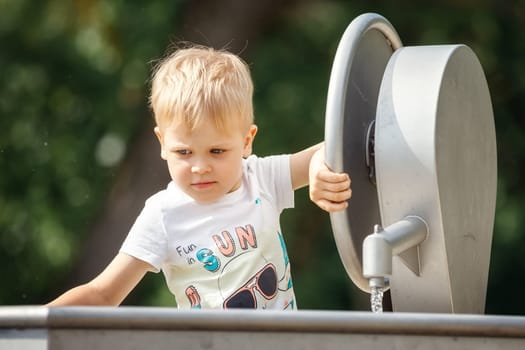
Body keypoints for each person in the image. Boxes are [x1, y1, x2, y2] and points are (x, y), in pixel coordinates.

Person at [47, 44, 351, 310]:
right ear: (162, 144)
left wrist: (316, 166)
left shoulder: (261, 178)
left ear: (247, 141)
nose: (200, 167)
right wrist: (25, 326)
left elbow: (334, 145)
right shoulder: (163, 214)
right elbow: (104, 294)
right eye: (184, 152)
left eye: (217, 151)